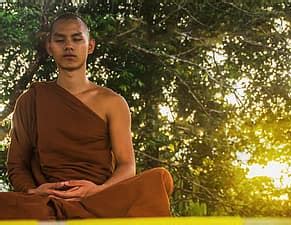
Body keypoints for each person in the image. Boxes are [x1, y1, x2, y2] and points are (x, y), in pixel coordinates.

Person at [0, 12, 173, 220]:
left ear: (90, 46)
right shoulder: (31, 99)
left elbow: (127, 166)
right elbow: (17, 164)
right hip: (48, 200)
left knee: (157, 179)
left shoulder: (112, 102)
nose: (69, 46)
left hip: (99, 198)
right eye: (60, 40)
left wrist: (96, 190)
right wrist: (33, 191)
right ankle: (55, 214)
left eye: (76, 39)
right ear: (49, 46)